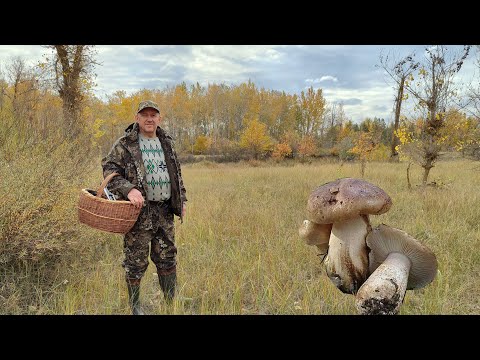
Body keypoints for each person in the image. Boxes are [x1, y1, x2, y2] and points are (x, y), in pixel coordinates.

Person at [102, 100, 187, 315]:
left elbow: (176, 174)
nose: (149, 119)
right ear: (137, 118)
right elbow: (109, 170)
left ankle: (170, 302)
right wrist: (129, 189)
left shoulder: (167, 142)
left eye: (153, 115)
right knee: (135, 261)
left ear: (159, 118)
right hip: (139, 213)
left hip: (165, 211)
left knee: (167, 256)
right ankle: (135, 307)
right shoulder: (125, 144)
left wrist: (181, 200)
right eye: (145, 115)